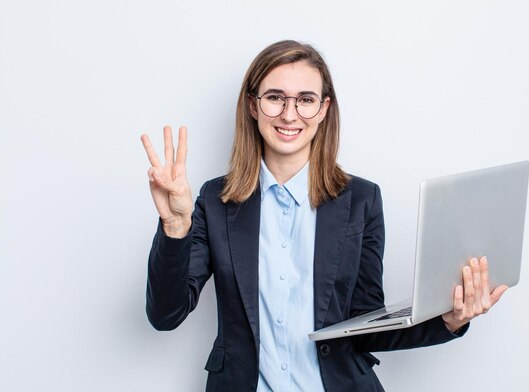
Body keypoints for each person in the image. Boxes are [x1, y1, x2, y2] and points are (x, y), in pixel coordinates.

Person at [140, 40, 507, 392]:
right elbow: (165, 315)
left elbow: (367, 325)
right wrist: (176, 227)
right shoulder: (214, 200)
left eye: (305, 100)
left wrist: (450, 319)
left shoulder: (362, 200)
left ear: (324, 109)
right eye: (275, 98)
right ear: (253, 106)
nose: (289, 114)